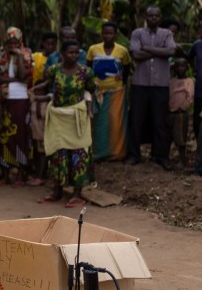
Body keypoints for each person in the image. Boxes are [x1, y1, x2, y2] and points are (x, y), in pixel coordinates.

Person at [35, 40, 95, 208]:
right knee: (58, 154)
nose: (74, 55)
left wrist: (90, 112)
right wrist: (38, 94)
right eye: (70, 52)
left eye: (77, 52)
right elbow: (48, 88)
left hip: (77, 117)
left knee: (79, 153)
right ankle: (57, 191)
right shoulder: (53, 70)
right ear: (62, 54)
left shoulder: (86, 72)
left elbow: (90, 91)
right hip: (58, 117)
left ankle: (77, 193)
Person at [128, 6, 177, 168]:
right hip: (140, 84)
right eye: (150, 15)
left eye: (157, 16)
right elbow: (135, 54)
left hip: (160, 85)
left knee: (160, 121)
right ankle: (134, 155)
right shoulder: (137, 33)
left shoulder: (167, 33)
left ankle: (160, 156)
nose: (154, 18)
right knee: (136, 120)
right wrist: (160, 51)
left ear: (160, 17)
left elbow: (171, 51)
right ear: (145, 17)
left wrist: (147, 48)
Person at [0, 27, 33, 185]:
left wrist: (18, 55)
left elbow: (24, 76)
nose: (12, 45)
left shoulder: (27, 54)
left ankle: (21, 173)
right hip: (4, 98)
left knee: (21, 134)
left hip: (21, 98)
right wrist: (14, 79)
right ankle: (5, 173)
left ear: (20, 41)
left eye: (15, 42)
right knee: (4, 135)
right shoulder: (0, 55)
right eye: (10, 42)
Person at [86, 21, 132, 161]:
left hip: (116, 92)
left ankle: (116, 153)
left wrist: (121, 76)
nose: (108, 36)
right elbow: (88, 69)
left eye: (111, 33)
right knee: (98, 122)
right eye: (105, 33)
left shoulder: (122, 50)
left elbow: (127, 69)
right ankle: (97, 153)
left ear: (115, 34)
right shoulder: (93, 49)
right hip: (97, 92)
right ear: (102, 34)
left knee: (115, 122)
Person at [29, 32, 58, 185]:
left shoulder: (57, 59)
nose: (50, 46)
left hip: (43, 131)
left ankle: (42, 175)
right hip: (38, 86)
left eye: (53, 43)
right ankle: (39, 174)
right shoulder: (36, 57)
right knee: (37, 152)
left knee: (43, 152)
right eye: (47, 43)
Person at [168, 58, 195, 168]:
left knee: (181, 137)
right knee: (169, 135)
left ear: (187, 68)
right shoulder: (171, 81)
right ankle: (168, 158)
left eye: (183, 66)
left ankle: (182, 160)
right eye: (177, 66)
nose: (180, 69)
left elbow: (190, 97)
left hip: (181, 113)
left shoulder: (189, 82)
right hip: (170, 112)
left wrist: (183, 107)